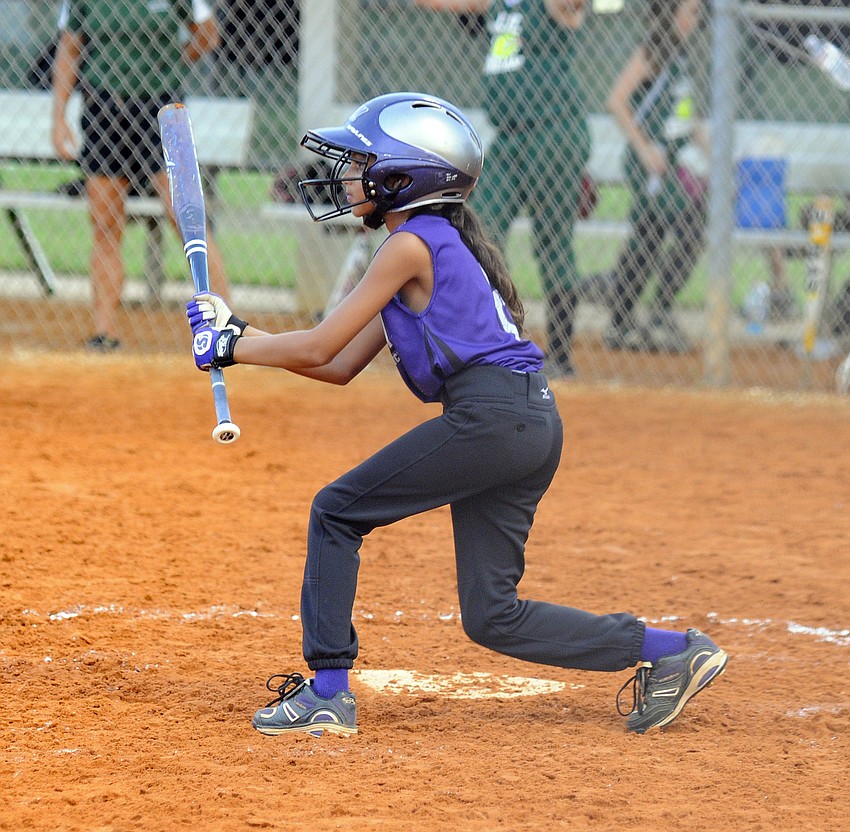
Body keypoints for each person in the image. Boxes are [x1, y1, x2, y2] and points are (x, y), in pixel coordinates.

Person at [186, 93, 728, 737]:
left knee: (336, 511)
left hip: (494, 420)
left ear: (402, 177)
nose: (347, 175)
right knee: (492, 616)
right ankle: (672, 650)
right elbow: (334, 365)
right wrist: (239, 337)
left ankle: (327, 694)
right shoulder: (425, 244)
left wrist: (232, 342)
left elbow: (319, 344)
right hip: (527, 423)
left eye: (361, 163)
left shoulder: (410, 245)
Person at [415, 0, 591, 378]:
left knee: (552, 240)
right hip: (509, 137)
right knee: (481, 231)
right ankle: (488, 342)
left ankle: (560, 354)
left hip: (553, 129)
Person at [51, 0, 232, 351]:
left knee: (188, 220)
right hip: (104, 109)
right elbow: (70, 50)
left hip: (160, 110)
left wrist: (166, 66)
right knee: (105, 223)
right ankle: (105, 333)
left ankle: (227, 325)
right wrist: (58, 117)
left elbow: (208, 35)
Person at [600, 0, 708, 354]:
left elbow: (685, 118)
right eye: (690, 11)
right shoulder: (653, 52)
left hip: (673, 160)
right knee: (669, 227)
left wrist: (713, 154)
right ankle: (636, 317)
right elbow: (617, 100)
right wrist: (645, 148)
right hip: (650, 160)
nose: (696, 19)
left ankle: (630, 318)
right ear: (671, 14)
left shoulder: (681, 57)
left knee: (656, 231)